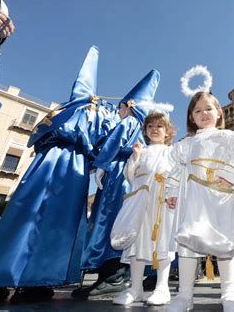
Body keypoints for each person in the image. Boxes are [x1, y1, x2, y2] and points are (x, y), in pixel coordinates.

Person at [0, 46, 116, 303]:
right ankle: (8, 278)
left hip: (68, 166)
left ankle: (32, 279)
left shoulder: (86, 114)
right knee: (30, 214)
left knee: (51, 220)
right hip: (62, 164)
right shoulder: (76, 112)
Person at [165, 91, 234, 312]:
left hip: (220, 197)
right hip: (192, 199)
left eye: (208, 108)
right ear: (191, 117)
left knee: (225, 243)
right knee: (187, 243)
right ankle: (184, 296)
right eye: (197, 111)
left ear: (219, 112)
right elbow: (175, 168)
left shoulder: (229, 137)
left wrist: (230, 175)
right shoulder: (185, 144)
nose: (204, 113)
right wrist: (172, 191)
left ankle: (229, 293)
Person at [71, 70, 160, 300]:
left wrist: (101, 165)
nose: (118, 110)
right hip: (135, 178)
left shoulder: (129, 121)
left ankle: (113, 274)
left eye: (121, 106)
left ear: (129, 106)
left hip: (119, 175)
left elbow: (114, 142)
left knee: (111, 219)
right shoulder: (144, 130)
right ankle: (119, 273)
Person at [111, 111, 176, 306]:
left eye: (159, 126)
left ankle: (162, 287)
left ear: (167, 132)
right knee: (136, 244)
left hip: (162, 202)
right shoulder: (141, 151)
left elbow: (177, 174)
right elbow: (130, 177)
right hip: (140, 203)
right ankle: (135, 288)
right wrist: (135, 158)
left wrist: (174, 194)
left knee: (163, 241)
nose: (155, 129)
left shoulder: (172, 151)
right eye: (150, 126)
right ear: (146, 131)